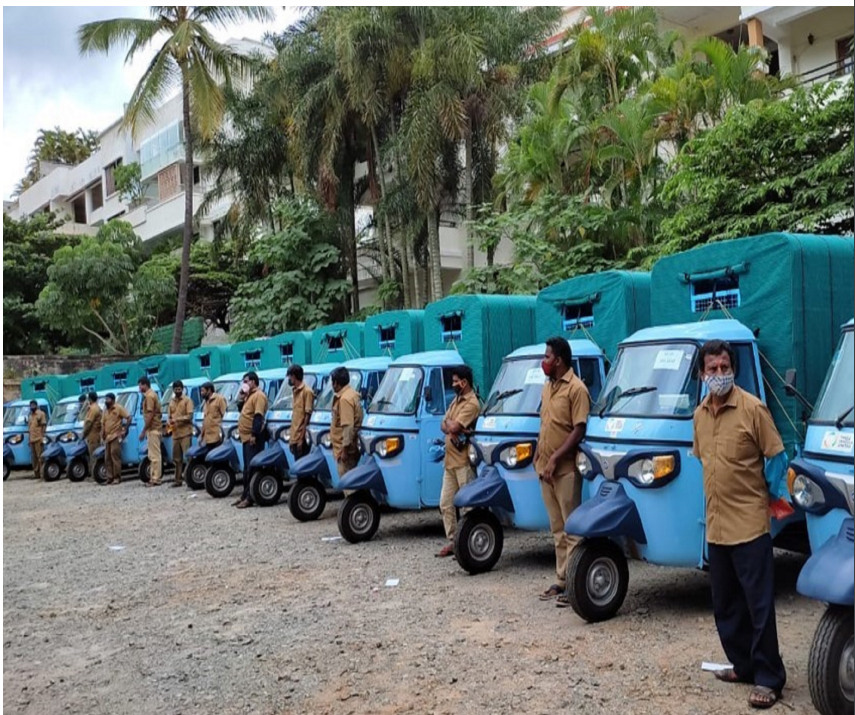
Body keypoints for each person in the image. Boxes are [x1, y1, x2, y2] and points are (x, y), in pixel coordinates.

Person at [692, 339, 789, 710]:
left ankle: (768, 678)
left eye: (724, 367)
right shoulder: (700, 415)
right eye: (712, 369)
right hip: (716, 526)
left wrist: (766, 495)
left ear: (734, 369)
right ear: (702, 374)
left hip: (749, 526)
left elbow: (777, 457)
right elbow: (705, 461)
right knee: (726, 605)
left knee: (758, 605)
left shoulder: (753, 409)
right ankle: (744, 665)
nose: (719, 375)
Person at [534, 336, 590, 606]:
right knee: (557, 528)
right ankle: (562, 580)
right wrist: (540, 456)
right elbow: (544, 423)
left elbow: (578, 430)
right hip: (545, 469)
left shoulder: (576, 389)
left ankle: (577, 586)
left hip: (565, 469)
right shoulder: (548, 386)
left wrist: (556, 457)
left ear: (559, 360)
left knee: (572, 529)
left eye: (546, 357)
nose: (543, 361)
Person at [436, 365, 481, 558]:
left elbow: (453, 424)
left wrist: (452, 426)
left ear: (464, 382)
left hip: (464, 461)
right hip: (450, 462)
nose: (453, 384)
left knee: (468, 506)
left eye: (456, 381)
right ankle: (455, 541)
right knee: (445, 504)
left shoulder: (471, 403)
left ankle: (469, 543)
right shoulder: (455, 401)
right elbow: (443, 424)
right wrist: (451, 427)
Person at [234, 372, 268, 509]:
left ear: (253, 382)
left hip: (252, 437)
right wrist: (242, 398)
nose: (245, 384)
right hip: (245, 437)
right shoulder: (250, 396)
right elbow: (242, 411)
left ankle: (250, 497)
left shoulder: (259, 396)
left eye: (246, 381)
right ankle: (244, 494)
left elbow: (258, 417)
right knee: (246, 468)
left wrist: (254, 434)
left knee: (252, 468)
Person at [330, 366, 362, 489]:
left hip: (346, 450)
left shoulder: (344, 399)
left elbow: (348, 427)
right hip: (349, 447)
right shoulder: (352, 394)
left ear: (336, 383)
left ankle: (354, 507)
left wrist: (344, 450)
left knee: (348, 482)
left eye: (333, 382)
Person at [168, 380, 194, 487]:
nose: (177, 391)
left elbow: (190, 416)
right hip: (175, 434)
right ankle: (178, 480)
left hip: (185, 433)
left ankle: (191, 479)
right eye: (176, 389)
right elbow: (170, 416)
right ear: (173, 390)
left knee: (188, 457)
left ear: (182, 389)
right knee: (176, 458)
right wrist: (169, 423)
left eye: (179, 389)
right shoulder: (171, 401)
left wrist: (177, 419)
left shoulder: (187, 401)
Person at [138, 377, 163, 487]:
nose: (139, 388)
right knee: (152, 455)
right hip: (153, 428)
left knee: (155, 456)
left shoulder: (149, 396)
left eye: (140, 385)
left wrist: (143, 430)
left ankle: (156, 478)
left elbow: (150, 414)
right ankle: (153, 477)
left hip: (153, 429)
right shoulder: (151, 395)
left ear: (144, 385)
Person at [101, 393, 130, 485]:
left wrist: (125, 429)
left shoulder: (118, 408)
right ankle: (110, 477)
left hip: (115, 436)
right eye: (105, 399)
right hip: (107, 437)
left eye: (108, 399)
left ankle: (117, 477)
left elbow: (128, 417)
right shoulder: (105, 411)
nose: (106, 401)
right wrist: (102, 434)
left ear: (113, 400)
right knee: (107, 458)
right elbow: (103, 423)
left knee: (115, 456)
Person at [287, 364, 314, 460]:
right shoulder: (295, 391)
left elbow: (307, 416)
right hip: (294, 437)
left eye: (289, 377)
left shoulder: (307, 391)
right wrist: (291, 440)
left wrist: (301, 439)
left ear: (294, 376)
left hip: (301, 438)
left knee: (303, 469)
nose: (289, 379)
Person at [81, 391, 102, 478]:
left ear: (89, 399)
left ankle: (95, 475)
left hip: (93, 435)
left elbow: (89, 423)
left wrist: (84, 434)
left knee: (94, 455)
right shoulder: (95, 408)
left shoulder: (93, 409)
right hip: (93, 434)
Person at [200, 382, 227, 448]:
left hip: (217, 436)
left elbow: (225, 416)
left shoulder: (219, 399)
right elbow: (205, 419)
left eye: (203, 391)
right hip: (208, 438)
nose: (201, 393)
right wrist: (201, 436)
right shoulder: (205, 402)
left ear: (209, 390)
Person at [27, 400, 47, 480]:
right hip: (32, 439)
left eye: (33, 405)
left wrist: (42, 437)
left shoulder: (41, 414)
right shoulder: (30, 416)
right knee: (34, 458)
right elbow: (29, 428)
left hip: (39, 438)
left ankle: (42, 473)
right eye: (31, 405)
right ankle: (36, 473)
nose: (32, 407)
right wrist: (29, 439)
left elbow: (43, 427)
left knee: (40, 457)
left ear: (36, 405)